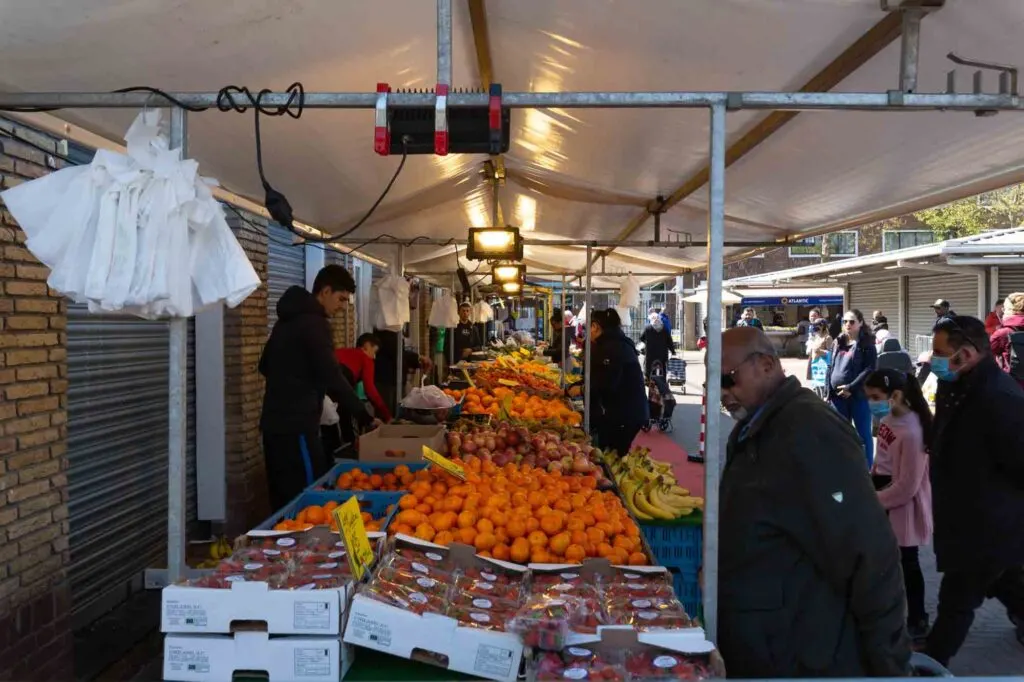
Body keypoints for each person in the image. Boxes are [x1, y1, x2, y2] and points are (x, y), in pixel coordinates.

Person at [717, 327, 911, 678]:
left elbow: (869, 551)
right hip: (762, 644)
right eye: (713, 383)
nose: (722, 393)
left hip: (801, 654)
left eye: (728, 379)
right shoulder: (754, 428)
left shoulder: (811, 430)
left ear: (766, 364)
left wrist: (889, 664)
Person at [925, 315, 1024, 666]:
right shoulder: (958, 385)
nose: (931, 358)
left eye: (939, 352)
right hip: (971, 520)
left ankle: (931, 664)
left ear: (965, 354)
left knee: (957, 602)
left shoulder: (1001, 398)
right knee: (1008, 582)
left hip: (986, 525)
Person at [259, 265, 376, 510]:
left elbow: (264, 365)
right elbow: (331, 374)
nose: (343, 306)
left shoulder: (286, 320)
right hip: (297, 423)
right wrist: (364, 415)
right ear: (325, 291)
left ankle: (282, 542)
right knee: (309, 495)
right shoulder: (315, 324)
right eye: (341, 299)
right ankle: (303, 543)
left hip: (273, 423)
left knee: (282, 495)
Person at [865, 368, 934, 641]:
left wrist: (874, 500)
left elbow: (907, 486)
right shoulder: (889, 419)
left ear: (895, 395)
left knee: (908, 562)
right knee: (887, 560)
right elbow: (881, 458)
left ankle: (917, 620)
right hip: (882, 493)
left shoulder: (914, 432)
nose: (871, 403)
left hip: (901, 505)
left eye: (875, 397)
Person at [568, 309, 647, 456]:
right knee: (609, 453)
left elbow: (607, 383)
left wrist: (582, 389)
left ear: (596, 327)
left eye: (588, 327)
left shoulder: (612, 347)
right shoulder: (614, 343)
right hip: (623, 411)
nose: (587, 332)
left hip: (624, 414)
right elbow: (600, 377)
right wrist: (576, 387)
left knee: (612, 456)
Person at [826, 309, 878, 466]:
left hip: (858, 396)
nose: (847, 324)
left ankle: (867, 469)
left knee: (863, 435)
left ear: (860, 323)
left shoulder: (866, 344)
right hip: (837, 398)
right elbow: (830, 367)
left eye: (852, 321)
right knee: (839, 435)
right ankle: (843, 468)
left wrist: (851, 387)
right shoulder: (838, 342)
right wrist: (828, 391)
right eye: (845, 321)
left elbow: (869, 369)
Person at [335, 333, 392, 422]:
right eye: (374, 352)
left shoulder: (340, 351)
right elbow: (370, 389)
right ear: (367, 346)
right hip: (339, 379)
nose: (374, 357)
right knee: (347, 413)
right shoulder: (365, 358)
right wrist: (387, 415)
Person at [990, 292, 1024, 387]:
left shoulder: (1003, 333)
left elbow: (983, 353)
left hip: (1011, 386)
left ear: (1010, 310)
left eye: (1004, 308)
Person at [639, 311, 675, 379]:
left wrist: (647, 342)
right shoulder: (664, 329)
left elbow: (641, 338)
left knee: (648, 366)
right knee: (663, 367)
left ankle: (647, 378)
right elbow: (669, 341)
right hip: (662, 354)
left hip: (650, 354)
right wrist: (673, 351)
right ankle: (663, 381)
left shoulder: (647, 328)